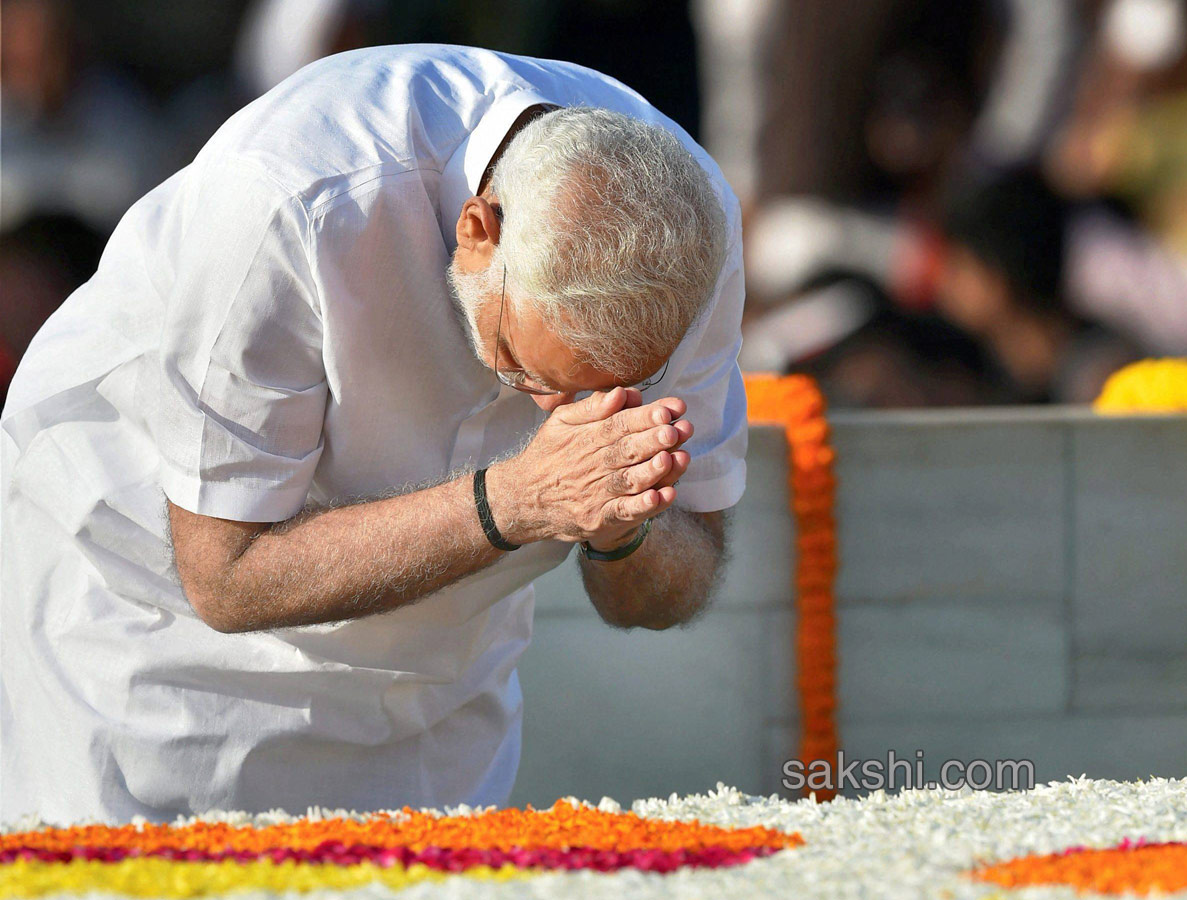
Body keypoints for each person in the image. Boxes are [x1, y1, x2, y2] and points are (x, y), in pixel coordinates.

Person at [0, 45, 747, 825]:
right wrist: (519, 500)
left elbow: (667, 590)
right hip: (152, 641)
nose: (567, 411)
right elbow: (224, 575)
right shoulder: (290, 194)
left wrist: (625, 524)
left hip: (440, 693)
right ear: (477, 228)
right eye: (530, 371)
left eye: (618, 385)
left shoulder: (695, 225)